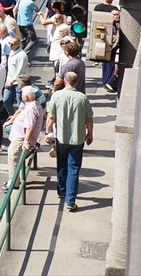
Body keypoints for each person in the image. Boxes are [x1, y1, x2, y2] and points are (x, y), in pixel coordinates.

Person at [47, 71, 94, 211]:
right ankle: (70, 200)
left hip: (61, 137)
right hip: (77, 138)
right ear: (76, 82)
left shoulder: (56, 96)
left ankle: (61, 191)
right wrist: (90, 134)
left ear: (65, 81)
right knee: (74, 169)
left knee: (61, 165)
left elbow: (51, 117)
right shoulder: (83, 98)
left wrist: (48, 132)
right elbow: (89, 119)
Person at [3, 86, 44, 192]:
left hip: (20, 141)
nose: (21, 98)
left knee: (14, 161)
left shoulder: (31, 109)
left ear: (26, 97)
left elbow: (30, 126)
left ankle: (13, 183)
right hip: (21, 139)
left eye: (22, 96)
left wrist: (26, 141)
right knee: (15, 160)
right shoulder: (34, 105)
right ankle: (14, 181)